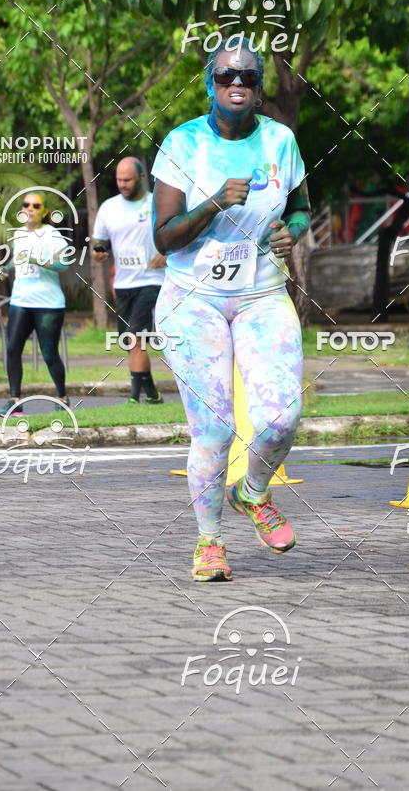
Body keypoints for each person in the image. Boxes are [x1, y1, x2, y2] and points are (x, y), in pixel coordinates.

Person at [152, 37, 311, 582]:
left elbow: (302, 209)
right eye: (226, 77)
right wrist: (215, 201)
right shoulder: (183, 143)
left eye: (247, 76)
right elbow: (166, 237)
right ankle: (210, 542)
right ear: (210, 84)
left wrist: (290, 234)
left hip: (263, 293)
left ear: (259, 86)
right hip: (191, 301)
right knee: (214, 429)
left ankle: (253, 493)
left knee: (280, 417)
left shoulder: (281, 141)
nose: (237, 83)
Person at [92, 157, 165, 404]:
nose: (122, 184)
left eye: (128, 180)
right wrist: (99, 253)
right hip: (123, 284)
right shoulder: (108, 208)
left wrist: (166, 254)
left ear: (141, 178)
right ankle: (153, 393)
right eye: (119, 180)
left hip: (152, 280)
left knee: (136, 338)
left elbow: (180, 235)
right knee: (130, 341)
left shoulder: (157, 203)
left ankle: (134, 396)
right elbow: (99, 242)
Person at [0, 191, 70, 416]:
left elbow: (64, 264)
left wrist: (37, 259)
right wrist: (5, 269)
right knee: (12, 349)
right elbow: (18, 258)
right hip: (21, 301)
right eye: (26, 204)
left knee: (48, 353)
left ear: (44, 211)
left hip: (48, 304)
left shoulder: (52, 234)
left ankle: (62, 397)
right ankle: (15, 400)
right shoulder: (18, 233)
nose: (30, 208)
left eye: (36, 206)